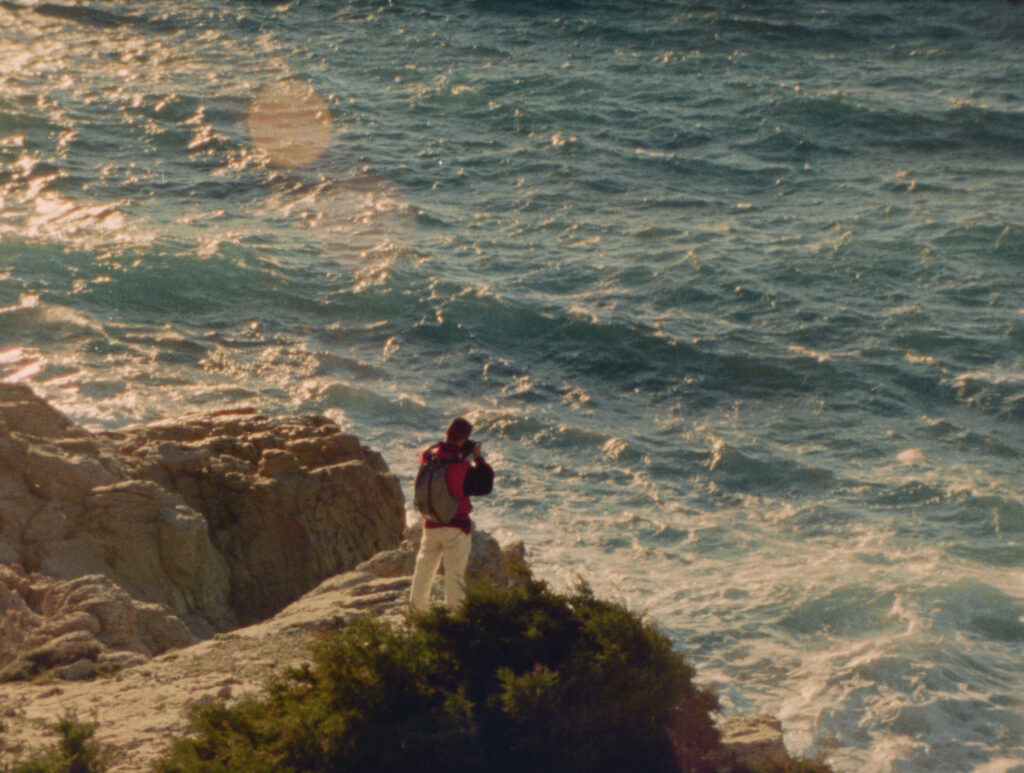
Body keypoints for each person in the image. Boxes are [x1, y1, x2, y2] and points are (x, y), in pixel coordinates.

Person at [409, 417, 494, 612]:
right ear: (463, 440)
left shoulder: (427, 457)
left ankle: (416, 613)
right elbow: (485, 484)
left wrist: (461, 452)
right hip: (456, 528)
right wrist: (477, 458)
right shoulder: (461, 467)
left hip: (430, 524)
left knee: (423, 573)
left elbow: (441, 463)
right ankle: (456, 618)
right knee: (454, 577)